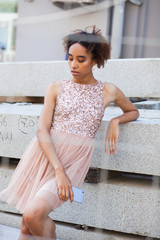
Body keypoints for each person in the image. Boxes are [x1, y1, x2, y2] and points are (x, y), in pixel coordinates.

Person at [0, 26, 139, 239]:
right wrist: (58, 170)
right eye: (70, 58)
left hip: (74, 162)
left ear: (94, 60)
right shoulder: (56, 87)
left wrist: (115, 121)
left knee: (33, 215)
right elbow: (42, 130)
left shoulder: (108, 90)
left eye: (81, 59)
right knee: (27, 224)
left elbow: (132, 111)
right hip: (44, 156)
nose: (73, 65)